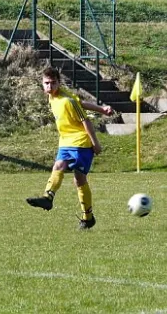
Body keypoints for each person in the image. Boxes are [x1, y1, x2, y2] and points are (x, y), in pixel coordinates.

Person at [26, 66, 113, 229]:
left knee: (79, 179)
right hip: (65, 141)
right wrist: (101, 109)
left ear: (59, 83)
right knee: (58, 165)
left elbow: (85, 121)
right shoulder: (53, 97)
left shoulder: (67, 101)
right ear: (42, 83)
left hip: (81, 142)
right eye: (46, 83)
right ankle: (48, 197)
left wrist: (95, 144)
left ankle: (88, 218)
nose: (49, 87)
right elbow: (83, 103)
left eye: (52, 83)